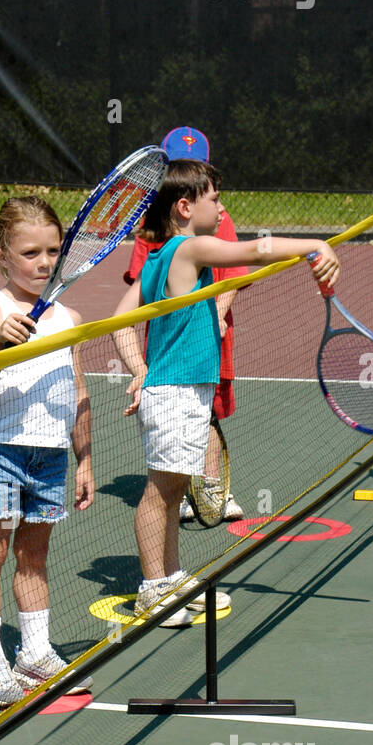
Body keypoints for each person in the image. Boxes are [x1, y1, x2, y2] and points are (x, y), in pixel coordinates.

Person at [112, 160, 339, 626]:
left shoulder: (155, 258)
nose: (221, 206)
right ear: (183, 206)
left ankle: (170, 576)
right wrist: (317, 245)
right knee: (160, 491)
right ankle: (153, 588)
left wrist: (140, 370)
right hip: (175, 393)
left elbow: (120, 322)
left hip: (177, 389)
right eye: (213, 198)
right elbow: (256, 251)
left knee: (174, 490)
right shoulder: (189, 249)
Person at [0, 196, 94, 707]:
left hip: (52, 456)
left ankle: (34, 651)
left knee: (34, 555)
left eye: (52, 251)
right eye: (30, 252)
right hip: (0, 452)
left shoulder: (70, 316)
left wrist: (85, 460)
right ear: (1, 255)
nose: (43, 262)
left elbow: (78, 390)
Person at [124, 126, 245, 520]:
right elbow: (141, 286)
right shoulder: (153, 225)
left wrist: (221, 314)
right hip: (167, 347)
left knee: (208, 412)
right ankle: (181, 490)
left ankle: (211, 487)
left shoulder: (216, 218)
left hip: (209, 338)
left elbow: (235, 274)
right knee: (172, 421)